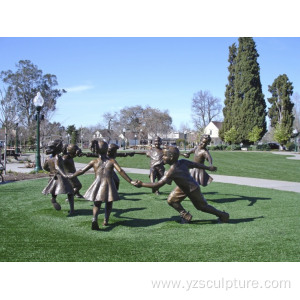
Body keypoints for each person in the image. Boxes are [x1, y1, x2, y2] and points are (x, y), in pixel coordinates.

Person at [133, 146, 229, 224]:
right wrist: (208, 168)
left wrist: (142, 184)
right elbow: (196, 165)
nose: (162, 157)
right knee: (171, 200)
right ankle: (185, 215)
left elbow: (157, 185)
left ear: (171, 157)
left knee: (202, 207)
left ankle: (222, 215)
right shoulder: (182, 161)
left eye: (164, 156)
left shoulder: (171, 171)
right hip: (182, 187)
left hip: (192, 188)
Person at [69, 140, 137, 230]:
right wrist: (130, 181)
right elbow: (120, 171)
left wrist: (71, 175)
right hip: (109, 183)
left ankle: (94, 218)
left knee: (97, 203)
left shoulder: (94, 161)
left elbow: (81, 171)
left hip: (97, 183)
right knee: (109, 202)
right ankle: (105, 220)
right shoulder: (112, 161)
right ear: (106, 150)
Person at [42, 139, 75, 216]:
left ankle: (53, 199)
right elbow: (57, 167)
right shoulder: (58, 157)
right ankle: (72, 210)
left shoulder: (48, 158)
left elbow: (45, 167)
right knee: (70, 192)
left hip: (52, 177)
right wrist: (64, 175)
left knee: (54, 191)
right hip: (60, 177)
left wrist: (51, 172)